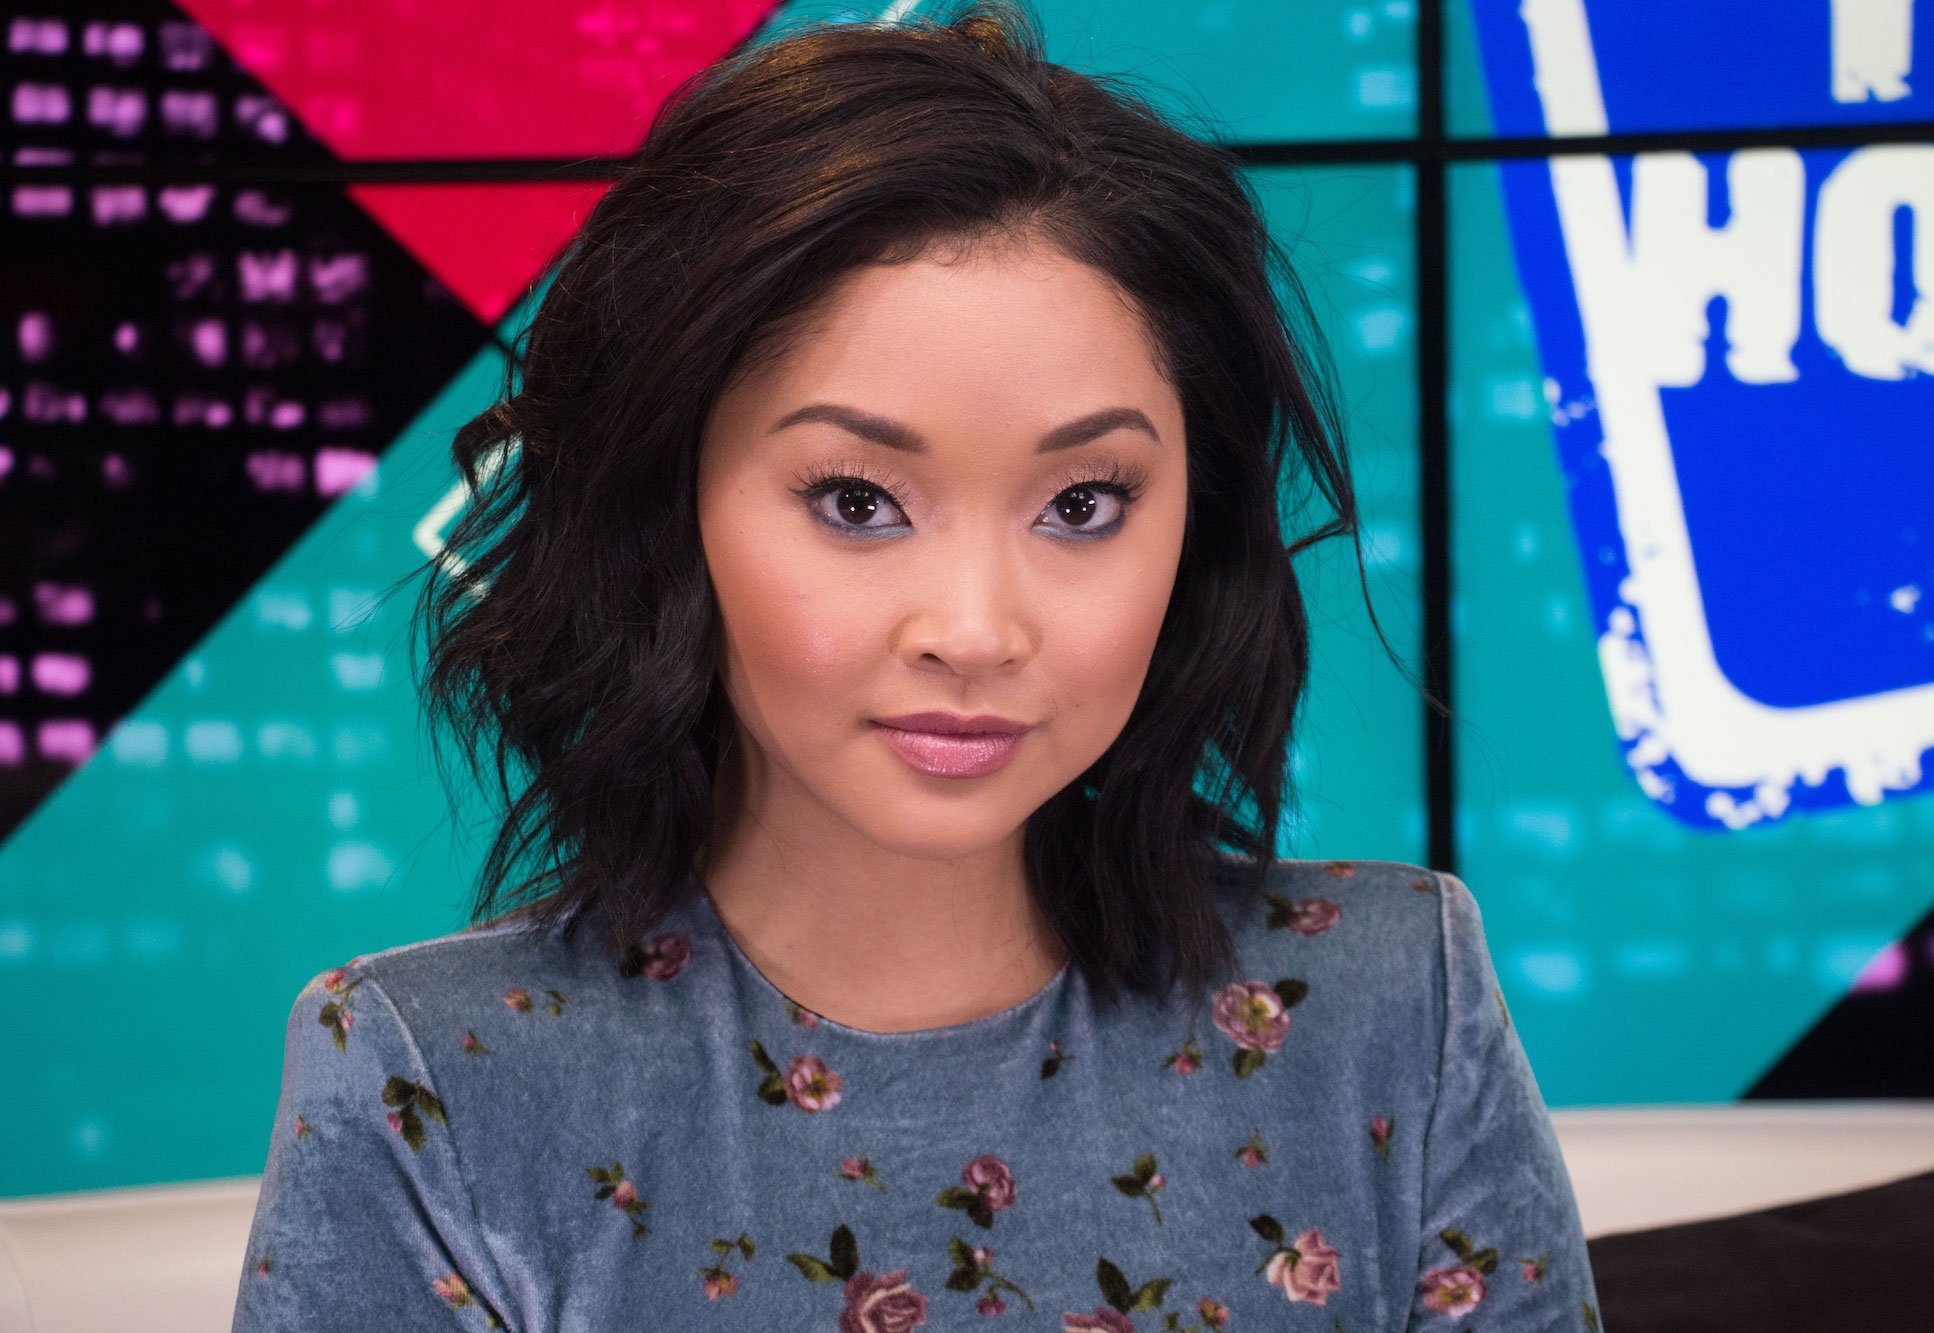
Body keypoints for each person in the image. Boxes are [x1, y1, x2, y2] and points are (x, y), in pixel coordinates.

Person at [231, 3, 1601, 1328]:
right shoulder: (436, 1082)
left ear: (1199, 524)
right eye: (855, 499)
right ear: (672, 504)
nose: (976, 626)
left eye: (1083, 505)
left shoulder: (1393, 1010)